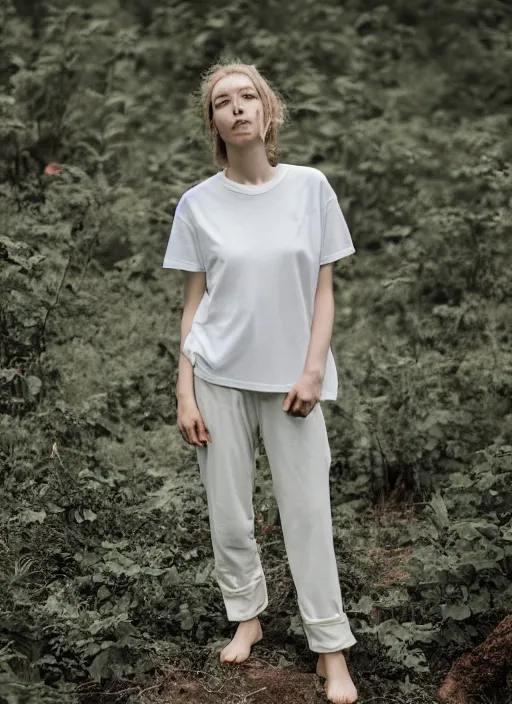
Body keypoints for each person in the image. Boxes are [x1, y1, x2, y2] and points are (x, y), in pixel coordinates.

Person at [162, 59, 358, 704]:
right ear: (213, 121)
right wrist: (185, 388)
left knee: (308, 516)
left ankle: (330, 648)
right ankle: (247, 615)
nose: (239, 107)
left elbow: (324, 291)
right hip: (218, 375)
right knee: (230, 515)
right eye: (225, 101)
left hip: (292, 384)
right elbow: (195, 304)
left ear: (268, 112)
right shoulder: (197, 204)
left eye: (250, 97)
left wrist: (311, 369)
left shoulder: (310, 188)